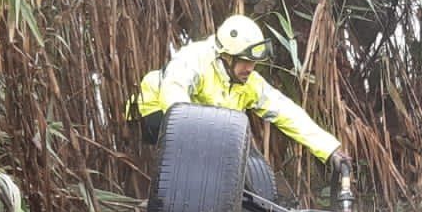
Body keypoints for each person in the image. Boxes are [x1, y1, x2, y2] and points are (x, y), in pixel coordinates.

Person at [134, 14, 350, 170]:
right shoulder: (195, 59)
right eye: (245, 62)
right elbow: (174, 92)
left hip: (197, 124)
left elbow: (285, 111)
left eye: (254, 63)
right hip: (151, 113)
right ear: (226, 56)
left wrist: (329, 149)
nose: (250, 69)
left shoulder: (248, 82)